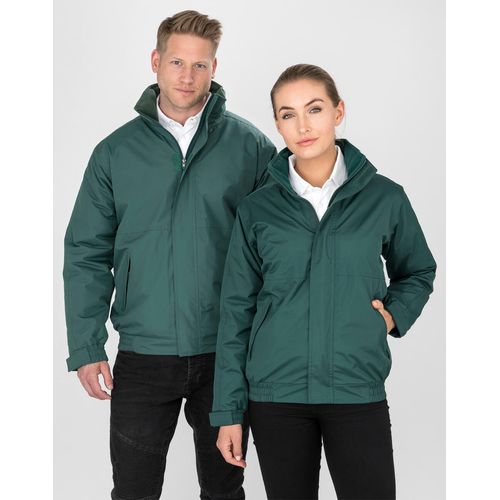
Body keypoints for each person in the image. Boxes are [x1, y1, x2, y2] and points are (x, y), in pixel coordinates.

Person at [63, 10, 276, 500]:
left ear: (214, 68)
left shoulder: (250, 147)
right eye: (177, 62)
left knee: (224, 490)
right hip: (143, 355)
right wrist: (87, 346)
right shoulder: (114, 153)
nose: (187, 76)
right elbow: (86, 252)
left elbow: (277, 248)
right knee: (133, 491)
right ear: (156, 61)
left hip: (225, 353)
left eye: (200, 65)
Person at [209, 64, 437, 500]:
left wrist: (390, 317)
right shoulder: (256, 209)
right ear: (278, 124)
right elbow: (235, 313)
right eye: (288, 114)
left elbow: (418, 270)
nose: (303, 125)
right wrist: (228, 413)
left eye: (314, 109)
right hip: (276, 395)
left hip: (355, 388)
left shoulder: (384, 197)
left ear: (338, 112)